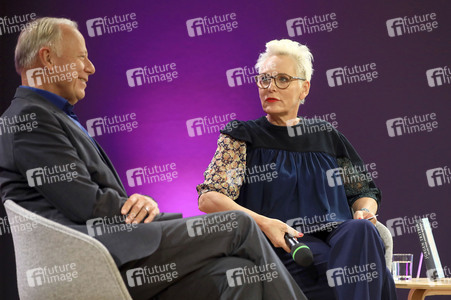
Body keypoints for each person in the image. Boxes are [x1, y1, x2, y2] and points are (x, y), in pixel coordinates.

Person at [0, 18, 307, 300]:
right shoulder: (30, 118)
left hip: (117, 250)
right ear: (48, 58)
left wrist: (139, 206)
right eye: (81, 56)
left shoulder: (48, 115)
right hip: (96, 261)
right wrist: (139, 212)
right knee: (238, 225)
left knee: (241, 276)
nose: (90, 67)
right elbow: (85, 204)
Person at [197, 39, 397, 299]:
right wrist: (265, 223)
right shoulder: (243, 137)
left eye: (282, 79)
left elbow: (364, 191)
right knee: (358, 271)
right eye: (264, 79)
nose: (271, 87)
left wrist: (365, 211)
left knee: (362, 230)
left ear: (304, 88)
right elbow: (209, 197)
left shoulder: (326, 135)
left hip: (338, 238)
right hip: (284, 243)